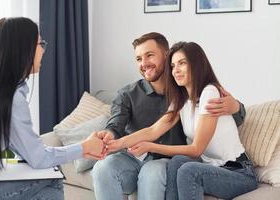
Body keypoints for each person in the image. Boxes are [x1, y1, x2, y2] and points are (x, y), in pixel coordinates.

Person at [92, 32, 246, 200]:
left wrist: (237, 107)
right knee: (104, 167)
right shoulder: (180, 99)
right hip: (196, 163)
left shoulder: (204, 92)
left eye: (182, 64)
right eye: (173, 66)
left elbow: (199, 146)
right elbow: (151, 130)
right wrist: (114, 143)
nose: (175, 70)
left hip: (224, 166)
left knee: (173, 169)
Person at [0, 17, 104, 200]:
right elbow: (39, 158)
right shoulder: (11, 97)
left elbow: (16, 148)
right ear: (23, 49)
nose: (44, 50)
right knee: (53, 178)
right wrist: (84, 147)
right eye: (40, 43)